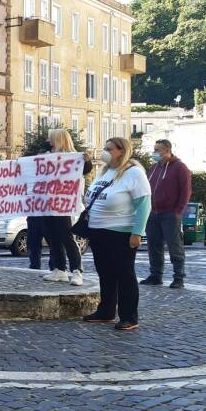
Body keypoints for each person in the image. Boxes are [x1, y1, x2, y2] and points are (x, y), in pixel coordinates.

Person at [83, 137, 151, 331]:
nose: (105, 151)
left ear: (121, 151)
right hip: (98, 230)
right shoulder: (104, 172)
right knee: (105, 273)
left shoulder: (134, 173)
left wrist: (137, 232)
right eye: (105, 147)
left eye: (109, 149)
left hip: (120, 231)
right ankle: (105, 311)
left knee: (124, 274)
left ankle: (129, 316)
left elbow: (144, 204)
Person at [42, 129, 94, 286]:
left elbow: (86, 170)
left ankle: (77, 270)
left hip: (64, 204)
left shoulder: (75, 158)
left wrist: (87, 160)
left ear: (58, 140)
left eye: (51, 138)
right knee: (52, 237)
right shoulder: (47, 155)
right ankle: (60, 269)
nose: (48, 141)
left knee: (66, 237)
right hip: (48, 203)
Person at [141, 139, 191, 289]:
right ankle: (156, 275)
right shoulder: (153, 168)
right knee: (153, 246)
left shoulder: (180, 168)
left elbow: (186, 191)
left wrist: (178, 211)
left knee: (175, 246)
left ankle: (179, 277)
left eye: (158, 150)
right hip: (153, 213)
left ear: (167, 151)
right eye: (154, 150)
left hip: (170, 213)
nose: (155, 153)